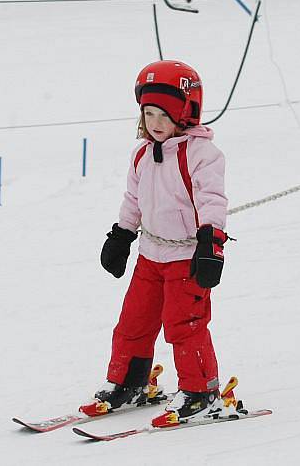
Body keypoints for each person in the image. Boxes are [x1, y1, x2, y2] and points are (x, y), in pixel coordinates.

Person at [81, 60, 229, 427]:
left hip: (186, 257)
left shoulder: (201, 154)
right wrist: (121, 235)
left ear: (184, 113)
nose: (155, 122)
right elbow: (133, 200)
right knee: (133, 322)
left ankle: (200, 390)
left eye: (164, 114)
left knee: (185, 325)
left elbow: (213, 200)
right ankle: (128, 382)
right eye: (148, 113)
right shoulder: (142, 154)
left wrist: (211, 244)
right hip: (150, 255)